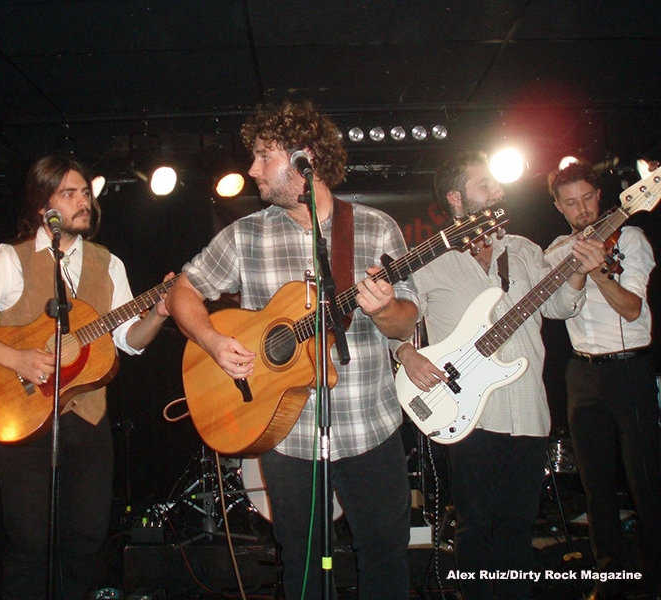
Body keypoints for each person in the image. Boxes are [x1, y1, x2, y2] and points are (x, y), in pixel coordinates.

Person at [165, 99, 420, 600]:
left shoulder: (373, 227)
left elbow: (405, 320)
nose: (252, 168)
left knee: (385, 556)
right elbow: (182, 291)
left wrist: (383, 307)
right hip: (286, 432)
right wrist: (213, 340)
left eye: (263, 156)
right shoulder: (245, 234)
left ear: (304, 160)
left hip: (369, 424)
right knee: (301, 564)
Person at [0, 154, 171, 600]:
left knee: (86, 540)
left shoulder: (108, 263)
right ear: (45, 208)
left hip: (88, 419)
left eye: (85, 192)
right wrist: (17, 359)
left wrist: (157, 313)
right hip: (22, 416)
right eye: (70, 193)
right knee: (30, 543)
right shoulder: (11, 260)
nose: (84, 201)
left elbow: (127, 341)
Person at [391, 150, 605, 600]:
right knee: (476, 525)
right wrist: (406, 354)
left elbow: (560, 307)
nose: (497, 191)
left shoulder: (524, 250)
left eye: (496, 184)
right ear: (456, 198)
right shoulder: (428, 261)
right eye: (484, 184)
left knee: (517, 525)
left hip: (528, 407)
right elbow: (397, 321)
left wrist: (581, 275)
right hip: (468, 411)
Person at [546, 162, 661, 600]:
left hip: (628, 367)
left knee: (644, 478)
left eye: (588, 198)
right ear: (558, 207)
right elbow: (558, 310)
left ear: (601, 195)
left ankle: (654, 578)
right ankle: (610, 574)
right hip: (581, 370)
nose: (582, 209)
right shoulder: (556, 249)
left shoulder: (630, 237)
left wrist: (598, 271)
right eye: (571, 203)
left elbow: (631, 308)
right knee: (595, 484)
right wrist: (576, 270)